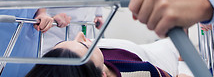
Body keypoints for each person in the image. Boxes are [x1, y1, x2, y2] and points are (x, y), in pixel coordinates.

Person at [26, 32, 193, 77]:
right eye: (84, 45)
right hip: (156, 55)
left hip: (132, 48)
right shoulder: (141, 72)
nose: (80, 35)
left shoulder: (86, 62)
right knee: (169, 44)